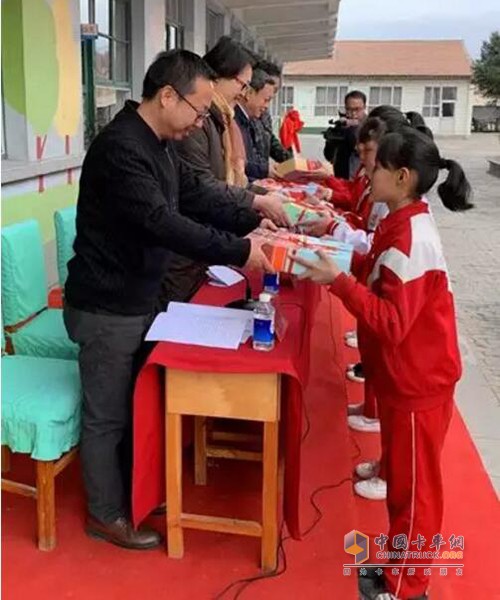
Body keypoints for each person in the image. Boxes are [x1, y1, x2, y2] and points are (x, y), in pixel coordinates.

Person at [64, 49, 274, 550]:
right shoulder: (121, 150)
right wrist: (242, 252)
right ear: (166, 96)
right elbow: (163, 223)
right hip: (106, 305)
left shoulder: (159, 142)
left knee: (139, 399)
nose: (201, 121)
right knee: (108, 414)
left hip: (142, 296)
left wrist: (251, 219)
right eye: (199, 111)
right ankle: (106, 512)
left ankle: (131, 491)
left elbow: (195, 198)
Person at [293, 126, 472, 600]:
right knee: (402, 486)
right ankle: (398, 569)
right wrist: (337, 258)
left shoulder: (412, 239)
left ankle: (410, 586)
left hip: (419, 380)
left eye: (376, 168)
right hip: (404, 376)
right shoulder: (399, 220)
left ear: (403, 176)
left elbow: (391, 321)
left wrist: (338, 281)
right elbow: (374, 273)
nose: (367, 174)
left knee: (416, 493)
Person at [170, 37, 288, 304]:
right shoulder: (197, 124)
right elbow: (200, 187)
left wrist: (254, 218)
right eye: (241, 84)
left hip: (202, 248)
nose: (245, 93)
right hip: (182, 256)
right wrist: (256, 202)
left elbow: (229, 182)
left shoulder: (221, 119)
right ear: (217, 76)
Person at [234, 69, 277, 181]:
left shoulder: (248, 120)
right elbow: (236, 164)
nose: (267, 106)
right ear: (249, 93)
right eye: (266, 100)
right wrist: (263, 170)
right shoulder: (233, 120)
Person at [252, 58, 293, 166]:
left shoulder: (264, 113)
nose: (273, 94)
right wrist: (265, 169)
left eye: (276, 90)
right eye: (272, 88)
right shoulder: (246, 114)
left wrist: (291, 161)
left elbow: (270, 140)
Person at [323, 90, 367, 179]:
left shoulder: (370, 127)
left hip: (358, 179)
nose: (353, 114)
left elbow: (360, 150)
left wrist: (352, 129)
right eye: (349, 109)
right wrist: (331, 141)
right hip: (340, 177)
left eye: (357, 109)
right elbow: (328, 156)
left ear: (364, 107)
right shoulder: (342, 126)